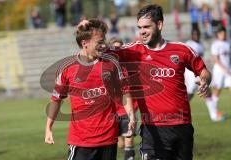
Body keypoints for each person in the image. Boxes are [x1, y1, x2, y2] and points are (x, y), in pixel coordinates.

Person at [79, 4, 212, 160]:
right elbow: (99, 51)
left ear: (160, 24)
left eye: (146, 27)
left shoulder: (182, 50)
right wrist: (87, 34)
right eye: (139, 27)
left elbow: (203, 71)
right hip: (152, 129)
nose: (142, 31)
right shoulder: (132, 50)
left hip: (182, 127)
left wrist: (204, 80)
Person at [44, 19, 136, 160]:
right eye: (99, 42)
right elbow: (56, 100)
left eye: (104, 40)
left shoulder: (111, 62)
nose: (104, 45)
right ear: (84, 43)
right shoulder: (67, 68)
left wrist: (131, 116)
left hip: (109, 139)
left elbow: (125, 91)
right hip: (81, 142)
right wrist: (48, 128)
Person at [108, 37, 137, 160]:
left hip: (127, 109)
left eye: (119, 48)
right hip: (112, 111)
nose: (117, 51)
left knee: (129, 140)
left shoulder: (128, 67)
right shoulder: (106, 68)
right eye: (115, 48)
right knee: (120, 144)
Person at [205, 25, 230, 122]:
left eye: (224, 33)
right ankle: (214, 113)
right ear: (218, 34)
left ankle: (214, 113)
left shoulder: (228, 43)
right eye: (221, 33)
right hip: (219, 70)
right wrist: (224, 68)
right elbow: (215, 59)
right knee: (217, 91)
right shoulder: (216, 44)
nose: (223, 35)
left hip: (228, 71)